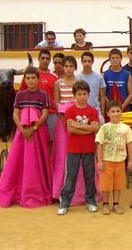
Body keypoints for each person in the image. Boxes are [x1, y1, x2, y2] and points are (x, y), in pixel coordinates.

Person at [0, 67, 52, 208]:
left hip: (37, 131)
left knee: (38, 159)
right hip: (23, 132)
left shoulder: (43, 94)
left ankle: (37, 189)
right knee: (19, 159)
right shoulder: (20, 95)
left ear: (38, 79)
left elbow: (45, 114)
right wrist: (22, 129)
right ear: (24, 80)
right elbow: (15, 114)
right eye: (28, 78)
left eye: (33, 78)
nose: (31, 80)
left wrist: (33, 128)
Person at [57, 80, 100, 215]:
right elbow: (71, 130)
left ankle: (90, 201)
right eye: (79, 94)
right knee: (71, 175)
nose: (82, 97)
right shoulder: (70, 110)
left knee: (89, 175)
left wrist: (78, 125)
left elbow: (96, 127)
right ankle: (65, 202)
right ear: (74, 95)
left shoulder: (92, 110)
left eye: (84, 94)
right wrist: (86, 129)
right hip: (73, 149)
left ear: (88, 94)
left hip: (89, 148)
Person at [52, 55, 84, 203]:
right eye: (66, 66)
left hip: (77, 121)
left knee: (79, 152)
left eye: (71, 66)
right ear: (62, 68)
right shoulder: (58, 83)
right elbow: (57, 103)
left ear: (75, 67)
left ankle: (80, 191)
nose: (69, 69)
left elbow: (82, 101)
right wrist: (63, 117)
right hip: (63, 123)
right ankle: (60, 191)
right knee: (62, 155)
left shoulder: (79, 82)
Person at [96, 100, 132, 215]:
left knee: (118, 184)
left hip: (120, 161)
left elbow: (130, 144)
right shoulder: (104, 128)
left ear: (122, 112)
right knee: (106, 184)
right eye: (112, 111)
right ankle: (105, 204)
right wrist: (99, 161)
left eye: (118, 111)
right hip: (107, 161)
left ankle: (116, 204)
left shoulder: (126, 128)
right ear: (108, 113)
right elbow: (99, 144)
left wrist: (131, 160)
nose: (116, 114)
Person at [19, 49, 58, 141]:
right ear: (38, 59)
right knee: (35, 140)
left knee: (51, 140)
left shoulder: (54, 76)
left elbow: (56, 96)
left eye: (47, 59)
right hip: (33, 114)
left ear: (50, 60)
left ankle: (48, 156)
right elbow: (22, 92)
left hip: (51, 113)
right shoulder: (30, 74)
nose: (45, 60)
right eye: (43, 58)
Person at [77, 51, 106, 124]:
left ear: (92, 62)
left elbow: (102, 97)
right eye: (85, 61)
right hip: (81, 113)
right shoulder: (77, 78)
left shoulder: (99, 78)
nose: (87, 63)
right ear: (81, 62)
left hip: (96, 112)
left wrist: (102, 114)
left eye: (89, 61)